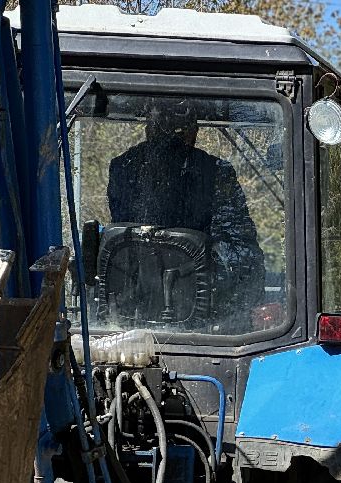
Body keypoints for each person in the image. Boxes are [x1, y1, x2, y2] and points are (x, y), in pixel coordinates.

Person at [106, 98, 264, 324]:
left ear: (147, 130)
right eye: (164, 129)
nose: (171, 143)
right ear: (194, 133)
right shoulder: (124, 169)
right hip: (139, 305)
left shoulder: (123, 167)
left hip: (134, 309)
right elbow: (243, 251)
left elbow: (239, 246)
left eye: (175, 131)